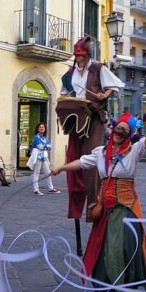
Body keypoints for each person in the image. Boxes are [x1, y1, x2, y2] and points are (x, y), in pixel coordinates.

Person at [51, 108, 146, 292]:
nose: (118, 132)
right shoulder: (101, 152)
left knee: (124, 251)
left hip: (126, 208)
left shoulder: (134, 150)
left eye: (123, 131)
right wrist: (61, 168)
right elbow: (82, 162)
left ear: (129, 135)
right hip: (106, 210)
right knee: (105, 253)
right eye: (116, 128)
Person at [59, 36, 123, 218]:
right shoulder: (68, 74)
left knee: (92, 156)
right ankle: (77, 202)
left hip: (94, 116)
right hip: (77, 116)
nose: (78, 58)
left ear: (86, 54)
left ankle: (95, 203)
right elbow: (64, 93)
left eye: (81, 54)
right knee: (74, 156)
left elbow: (113, 86)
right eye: (76, 55)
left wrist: (104, 94)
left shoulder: (97, 68)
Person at [29, 122, 59, 195]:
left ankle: (50, 188)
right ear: (38, 129)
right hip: (37, 156)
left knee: (48, 173)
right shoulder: (36, 137)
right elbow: (40, 147)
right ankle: (36, 190)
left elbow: (50, 147)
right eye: (40, 127)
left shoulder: (44, 138)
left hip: (44, 157)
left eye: (43, 127)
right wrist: (46, 146)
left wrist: (45, 146)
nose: (42, 128)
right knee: (36, 172)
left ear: (45, 129)